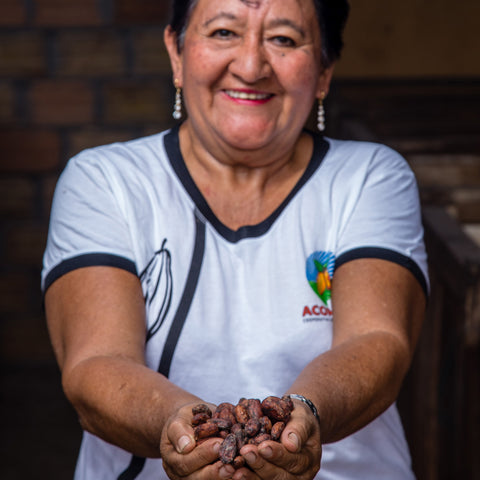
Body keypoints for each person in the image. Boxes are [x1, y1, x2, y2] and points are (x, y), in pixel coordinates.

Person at [41, 0, 428, 479]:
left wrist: (303, 415)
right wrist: (184, 430)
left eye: (284, 39)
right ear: (177, 53)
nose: (250, 66)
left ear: (324, 70)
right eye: (223, 32)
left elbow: (378, 339)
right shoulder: (106, 182)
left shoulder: (368, 178)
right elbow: (96, 362)